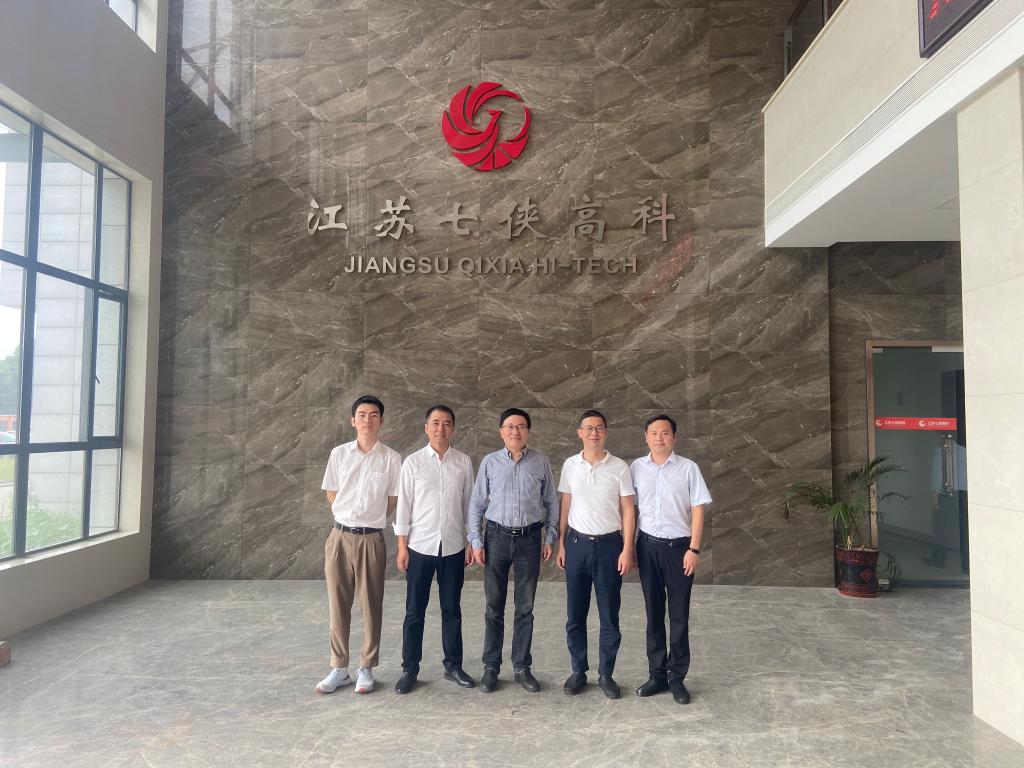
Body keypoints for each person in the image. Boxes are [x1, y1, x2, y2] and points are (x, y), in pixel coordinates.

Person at [315, 395, 401, 695]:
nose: (367, 419)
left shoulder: (391, 459)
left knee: (370, 604)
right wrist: (349, 515)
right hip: (339, 537)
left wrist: (368, 518)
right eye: (362, 414)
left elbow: (392, 500)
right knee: (338, 604)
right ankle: (339, 667)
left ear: (381, 420)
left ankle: (366, 667)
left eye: (373, 415)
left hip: (371, 539)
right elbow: (331, 492)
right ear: (353, 420)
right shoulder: (339, 454)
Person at [468, 407, 558, 693]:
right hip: (496, 538)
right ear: (501, 431)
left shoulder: (540, 462)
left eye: (520, 426)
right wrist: (476, 541)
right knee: (493, 607)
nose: (515, 431)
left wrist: (550, 537)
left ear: (528, 431)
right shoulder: (490, 462)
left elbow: (551, 502)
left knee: (525, 607)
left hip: (529, 540)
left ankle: (521, 667)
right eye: (510, 426)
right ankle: (491, 667)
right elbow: (477, 504)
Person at [393, 405, 476, 694]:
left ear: (453, 428)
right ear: (426, 427)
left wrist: (470, 541)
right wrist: (402, 546)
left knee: (452, 609)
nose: (441, 428)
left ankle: (453, 665)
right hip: (419, 546)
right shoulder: (413, 463)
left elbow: (469, 505)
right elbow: (403, 506)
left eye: (447, 423)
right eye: (436, 423)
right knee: (414, 611)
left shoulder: (463, 462)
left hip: (453, 547)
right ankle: (409, 668)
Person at [630, 414, 711, 705]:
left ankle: (676, 676)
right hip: (647, 547)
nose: (659, 438)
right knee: (653, 613)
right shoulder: (636, 468)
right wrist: (631, 547)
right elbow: (631, 509)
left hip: (680, 549)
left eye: (665, 433)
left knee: (678, 615)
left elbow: (698, 509)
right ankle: (656, 675)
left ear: (674, 437)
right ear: (646, 437)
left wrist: (694, 549)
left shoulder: (688, 468)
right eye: (654, 433)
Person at [556, 409, 635, 699]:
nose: (594, 432)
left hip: (609, 547)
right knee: (575, 614)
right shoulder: (570, 465)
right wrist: (561, 542)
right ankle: (578, 671)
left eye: (599, 427)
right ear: (579, 433)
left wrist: (627, 548)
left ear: (606, 432)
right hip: (576, 545)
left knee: (609, 615)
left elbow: (628, 510)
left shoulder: (620, 467)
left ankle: (606, 674)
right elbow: (565, 505)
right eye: (588, 428)